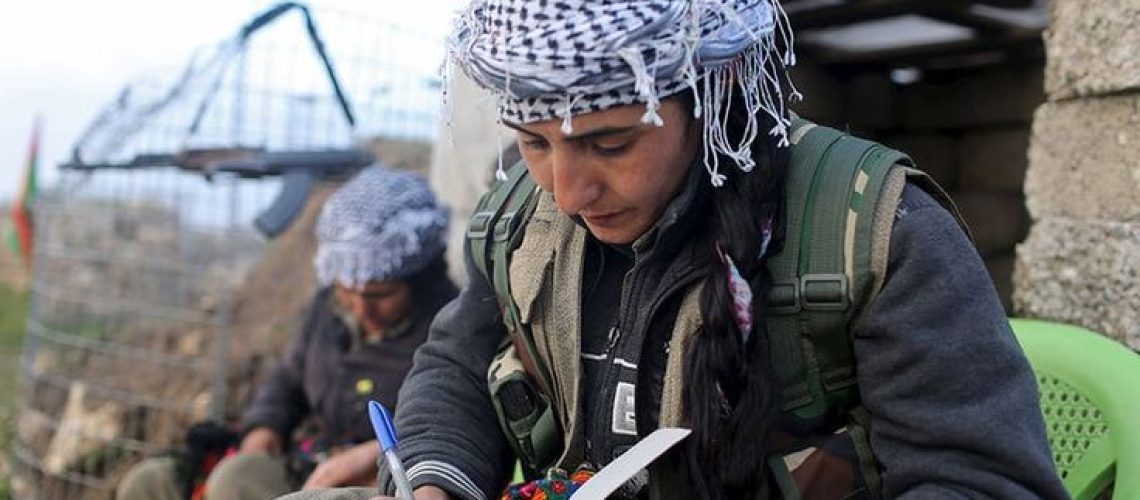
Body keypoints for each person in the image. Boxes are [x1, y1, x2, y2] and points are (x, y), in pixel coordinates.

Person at [289, 1, 1069, 499]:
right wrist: (434, 484)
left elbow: (980, 479)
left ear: (714, 97)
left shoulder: (876, 232)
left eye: (610, 142)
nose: (567, 191)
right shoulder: (522, 227)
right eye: (532, 143)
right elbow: (457, 369)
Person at [115, 165, 457, 500]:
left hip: (383, 476)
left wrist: (380, 454)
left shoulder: (450, 328)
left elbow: (456, 419)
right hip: (309, 458)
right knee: (151, 482)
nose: (361, 308)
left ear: (419, 280)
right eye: (347, 292)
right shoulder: (326, 311)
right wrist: (264, 425)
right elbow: (288, 378)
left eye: (379, 295)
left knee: (238, 482)